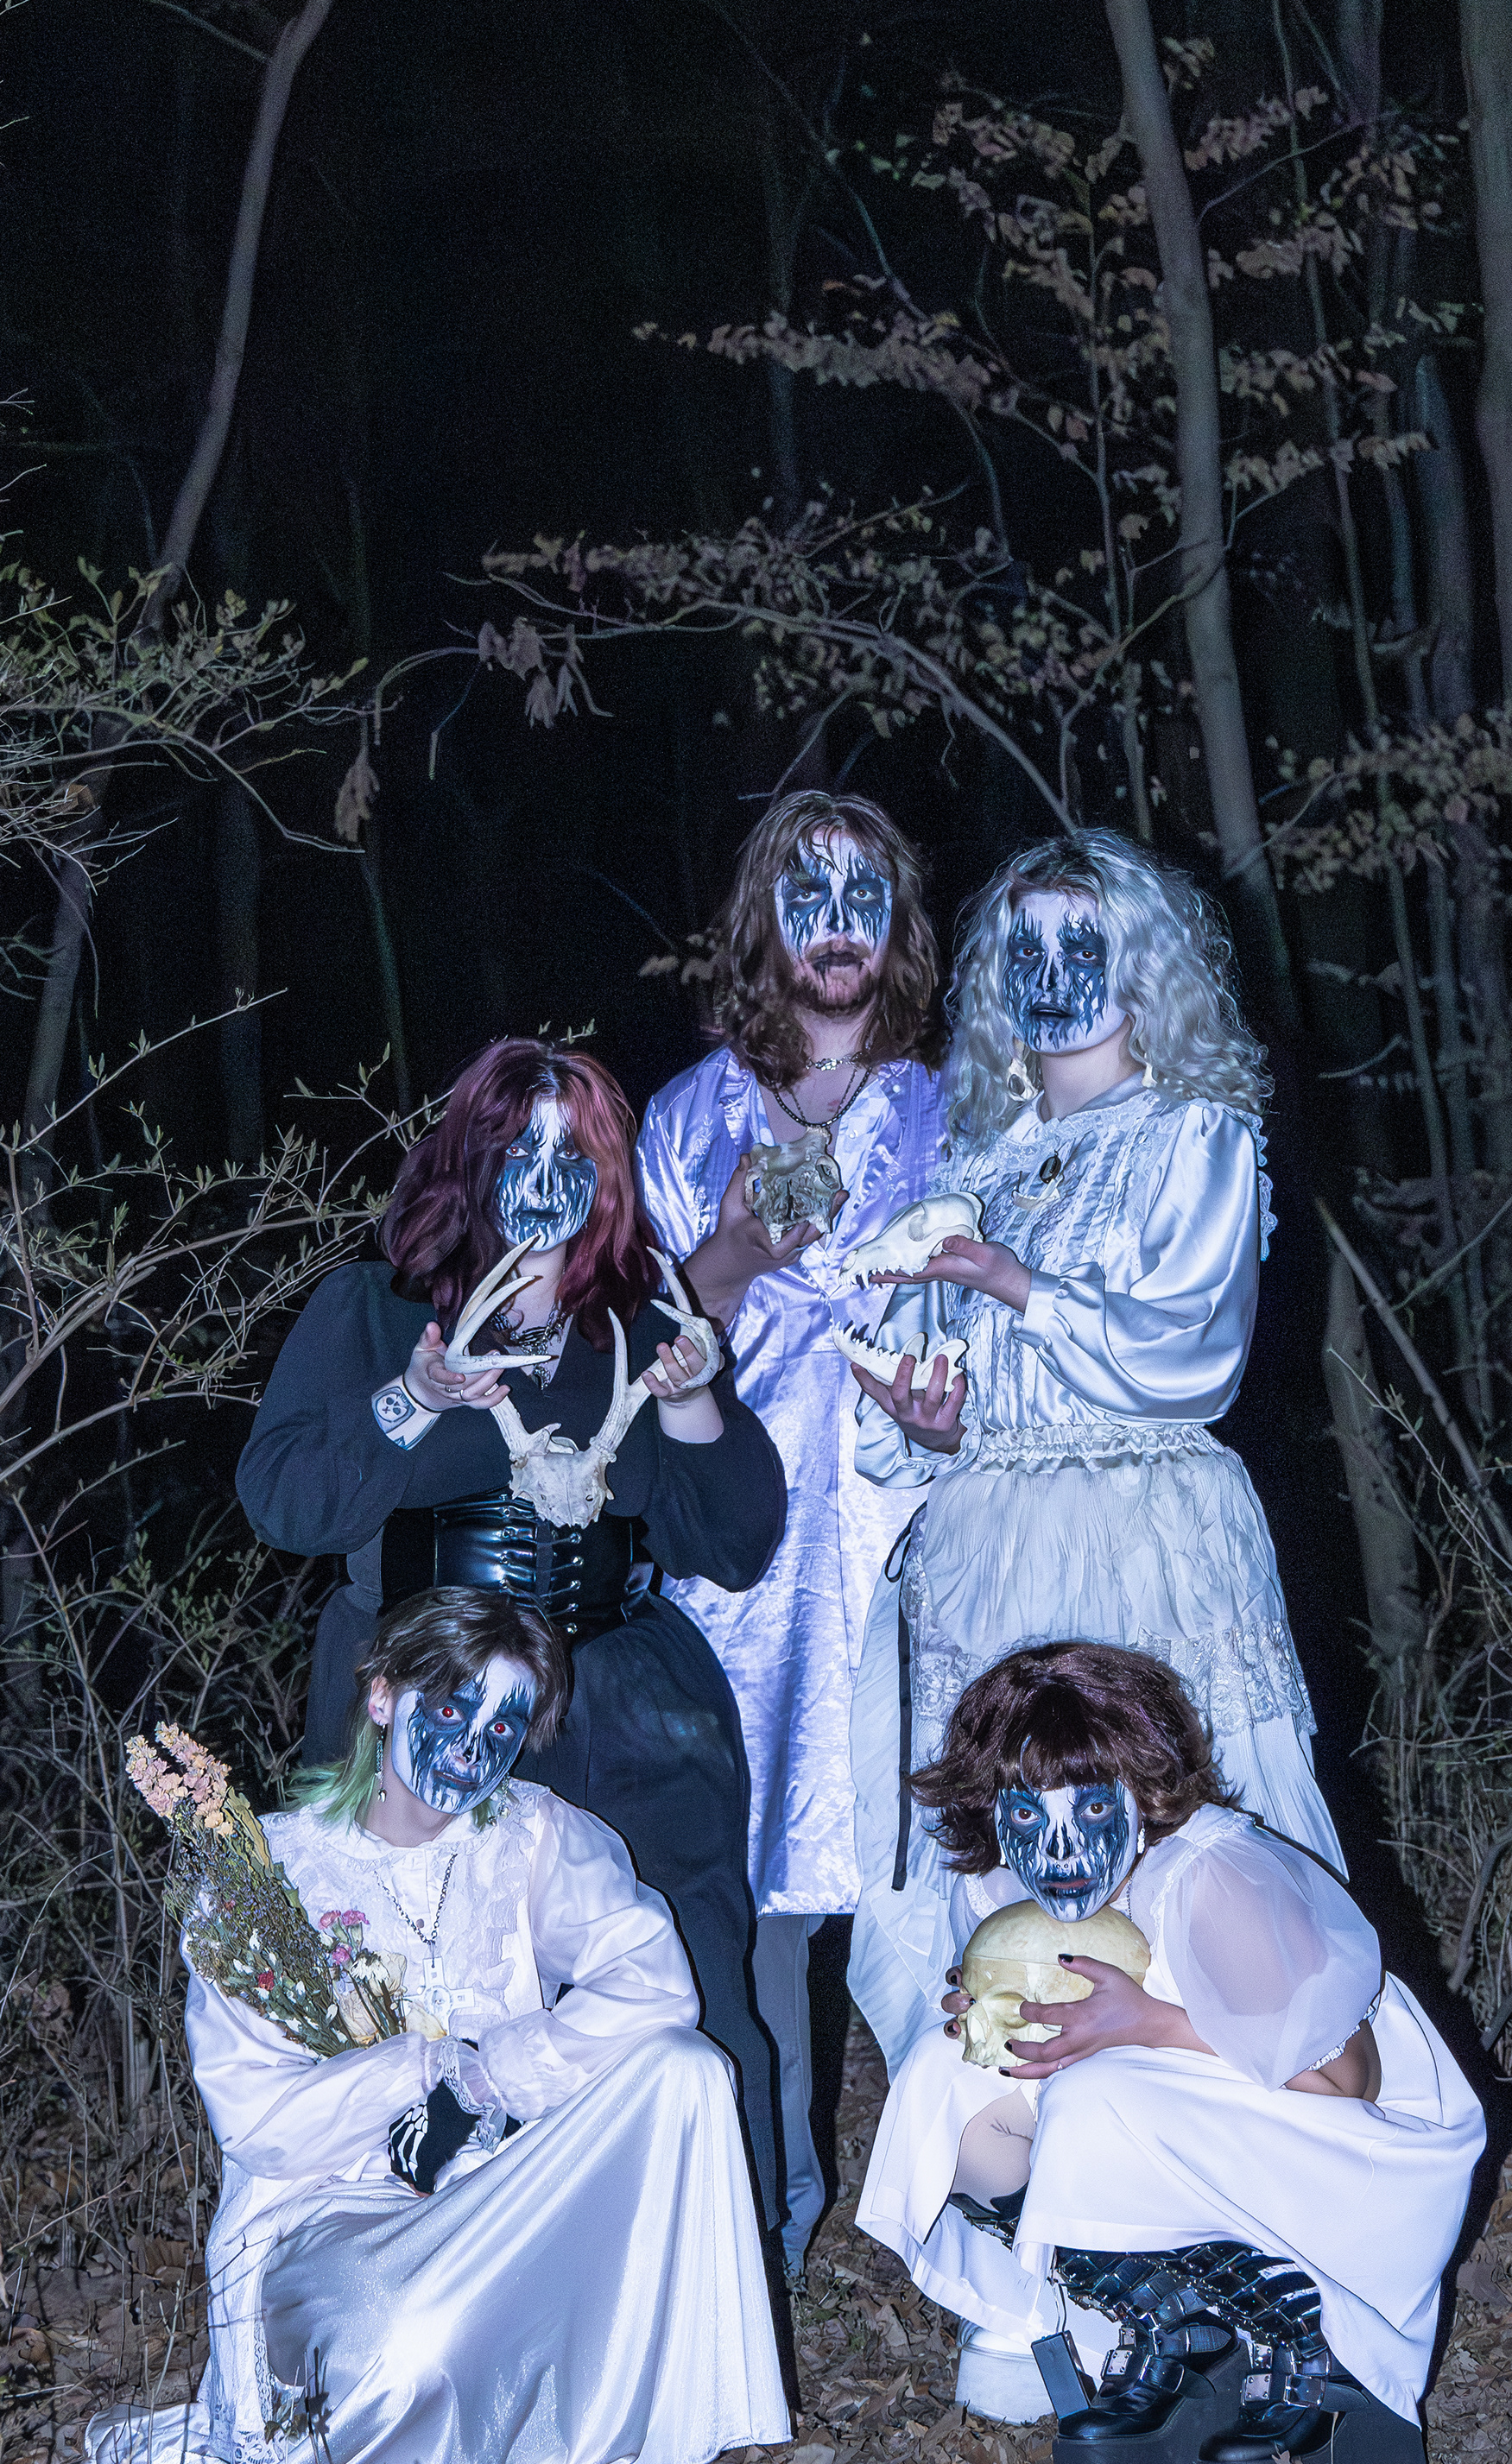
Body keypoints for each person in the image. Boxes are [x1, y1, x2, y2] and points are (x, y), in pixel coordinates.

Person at [236, 1039, 787, 2231]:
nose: (543, 1179)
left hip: (624, 1704)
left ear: (608, 1176)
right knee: (397, 1990)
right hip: (421, 1704)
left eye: (572, 1154)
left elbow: (735, 1543)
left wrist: (695, 1398)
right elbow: (284, 1503)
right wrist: (417, 1399)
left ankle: (726, 2259)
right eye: (515, 1149)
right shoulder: (376, 1313)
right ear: (466, 1160)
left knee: (686, 1974)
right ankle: (403, 2261)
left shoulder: (641, 1329)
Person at [85, 1589, 790, 2464]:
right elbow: (259, 2125)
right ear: (383, 1695)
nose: (471, 1748)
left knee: (685, 2069)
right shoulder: (268, 1877)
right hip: (330, 2218)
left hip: (508, 2193)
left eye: (502, 1726)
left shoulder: (533, 1834)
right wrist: (416, 2072)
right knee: (405, 2349)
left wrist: (491, 2075)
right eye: (452, 1709)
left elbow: (655, 1987)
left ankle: (675, 2410)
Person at [844, 826, 1344, 2075]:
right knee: (1011, 1848)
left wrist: (1018, 1286)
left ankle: (1226, 2115)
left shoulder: (1195, 1133)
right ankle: (1031, 2141)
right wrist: (924, 1424)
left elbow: (1194, 1356)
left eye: (1085, 948)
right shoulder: (974, 1163)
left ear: (1144, 970)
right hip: (983, 1543)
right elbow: (917, 1399)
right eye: (1026, 952)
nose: (1053, 977)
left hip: (1144, 1528)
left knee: (1177, 1827)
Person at [857, 1640, 1484, 2456]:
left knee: (1094, 2092)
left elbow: (1350, 2081)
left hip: (1352, 2161)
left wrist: (1148, 2022)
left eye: (1091, 1809)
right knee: (945, 2073)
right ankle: (1172, 2319)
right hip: (1183, 2136)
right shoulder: (1002, 1887)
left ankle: (1308, 2339)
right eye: (1026, 1815)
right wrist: (995, 2016)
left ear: (1141, 1791)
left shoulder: (1213, 1874)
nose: (1058, 1850)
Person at [636, 787, 948, 2265]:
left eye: (861, 897)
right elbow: (625, 1343)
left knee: (942, 1876)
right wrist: (733, 1254)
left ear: (898, 927)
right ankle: (759, 2224)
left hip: (912, 1550)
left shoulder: (955, 1110)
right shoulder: (683, 1119)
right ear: (763, 920)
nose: (834, 927)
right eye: (805, 897)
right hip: (734, 1571)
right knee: (741, 1885)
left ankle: (1000, 2224)